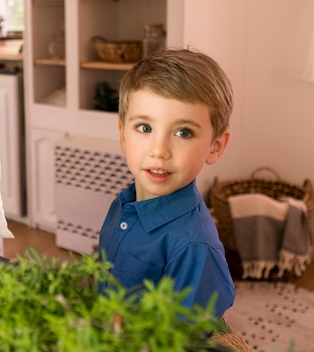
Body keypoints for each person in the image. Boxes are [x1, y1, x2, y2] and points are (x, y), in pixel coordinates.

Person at [97, 48, 235, 318]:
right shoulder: (123, 205)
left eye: (183, 132)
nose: (159, 150)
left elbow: (187, 339)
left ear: (215, 147)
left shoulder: (194, 248)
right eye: (145, 128)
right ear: (123, 135)